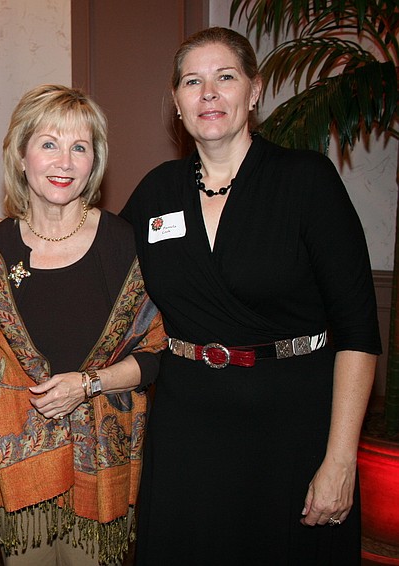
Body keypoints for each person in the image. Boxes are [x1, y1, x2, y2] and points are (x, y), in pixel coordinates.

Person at [120, 27, 381, 565]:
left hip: (292, 429)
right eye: (193, 81)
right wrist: (14, 239)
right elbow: (99, 270)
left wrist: (340, 459)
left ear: (254, 91)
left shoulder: (307, 181)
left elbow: (357, 327)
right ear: (176, 102)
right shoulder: (156, 191)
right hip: (187, 430)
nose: (208, 93)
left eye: (225, 77)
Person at [0, 84, 167, 566]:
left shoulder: (124, 243)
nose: (64, 161)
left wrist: (87, 384)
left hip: (100, 465)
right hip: (19, 468)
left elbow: (156, 352)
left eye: (80, 147)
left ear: (94, 162)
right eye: (48, 144)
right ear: (21, 155)